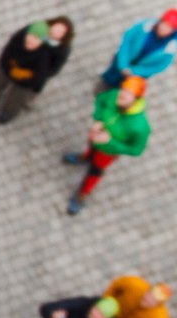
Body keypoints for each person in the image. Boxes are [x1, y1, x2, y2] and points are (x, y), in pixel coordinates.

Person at [63, 76, 150, 216]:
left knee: (95, 171)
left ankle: (81, 195)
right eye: (123, 90)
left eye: (128, 94)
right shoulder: (114, 95)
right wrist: (98, 119)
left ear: (136, 98)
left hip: (108, 152)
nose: (122, 94)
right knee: (91, 148)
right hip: (96, 137)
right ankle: (85, 157)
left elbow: (136, 150)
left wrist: (110, 142)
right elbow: (100, 100)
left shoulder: (140, 126)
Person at [0, 18, 74, 124]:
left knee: (17, 97)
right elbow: (9, 48)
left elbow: (51, 69)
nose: (55, 32)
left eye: (60, 32)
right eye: (54, 28)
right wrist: (7, 65)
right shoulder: (33, 31)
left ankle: (7, 113)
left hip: (29, 79)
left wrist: (33, 78)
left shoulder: (54, 51)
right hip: (11, 66)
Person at [98, 8, 177, 90]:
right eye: (164, 24)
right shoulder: (143, 27)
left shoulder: (170, 49)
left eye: (169, 27)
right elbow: (127, 41)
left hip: (136, 75)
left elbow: (158, 67)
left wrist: (134, 72)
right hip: (121, 61)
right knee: (110, 76)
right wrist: (123, 65)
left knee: (123, 88)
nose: (164, 28)